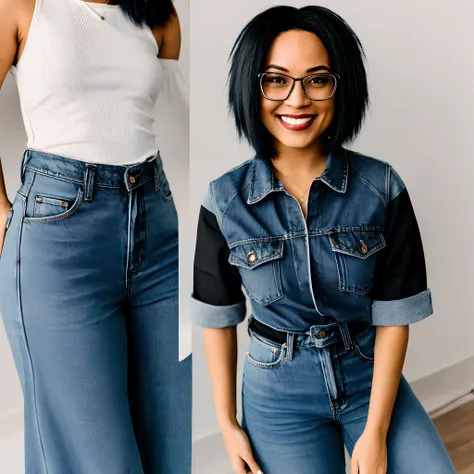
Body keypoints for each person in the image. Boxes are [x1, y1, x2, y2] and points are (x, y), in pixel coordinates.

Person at [192, 5, 455, 474]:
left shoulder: (382, 188)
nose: (296, 99)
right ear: (252, 87)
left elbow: (395, 316)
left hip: (366, 374)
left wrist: (374, 434)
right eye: (276, 79)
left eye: (316, 80)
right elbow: (218, 318)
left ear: (340, 87)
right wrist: (226, 423)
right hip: (277, 394)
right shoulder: (223, 201)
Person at [0, 0, 191, 473]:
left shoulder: (160, 15)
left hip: (159, 232)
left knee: (173, 447)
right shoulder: (23, 6)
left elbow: (171, 114)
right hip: (59, 239)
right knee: (98, 462)